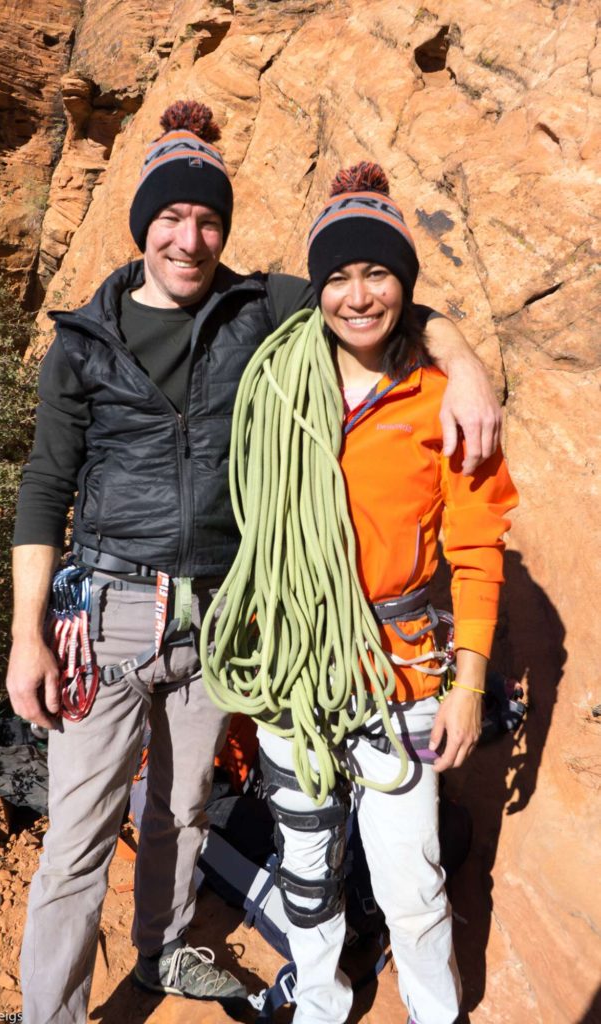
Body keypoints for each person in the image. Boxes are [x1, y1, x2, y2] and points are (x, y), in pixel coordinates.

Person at [5, 96, 503, 1023]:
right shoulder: (80, 343)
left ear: (223, 230)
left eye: (207, 220)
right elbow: (43, 487)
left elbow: (374, 294)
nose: (189, 238)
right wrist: (24, 635)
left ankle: (160, 954)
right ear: (142, 224)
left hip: (220, 622)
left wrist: (463, 358)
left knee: (185, 810)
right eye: (171, 217)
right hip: (106, 616)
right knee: (77, 838)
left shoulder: (258, 307)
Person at [202, 161, 518, 1024]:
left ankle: (434, 1009)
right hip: (293, 670)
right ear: (317, 288)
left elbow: (479, 548)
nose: (357, 294)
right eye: (337, 276)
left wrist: (469, 683)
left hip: (402, 675)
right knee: (305, 871)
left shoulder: (443, 403)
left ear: (405, 286)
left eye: (377, 271)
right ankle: (321, 1004)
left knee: (410, 875)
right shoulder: (275, 383)